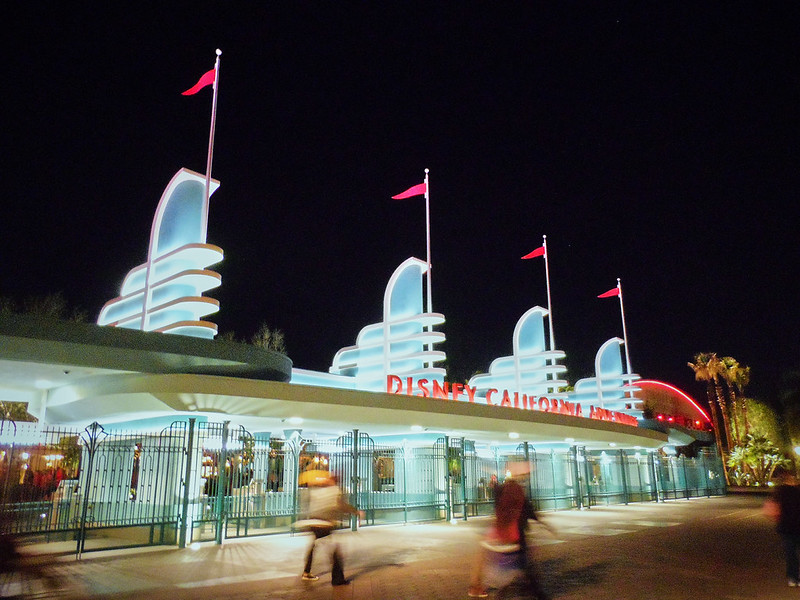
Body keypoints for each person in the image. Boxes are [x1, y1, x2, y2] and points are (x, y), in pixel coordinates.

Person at [469, 467, 551, 599]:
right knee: (520, 564)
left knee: (488, 558)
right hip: (514, 535)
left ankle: (478, 586)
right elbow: (528, 510)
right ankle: (533, 590)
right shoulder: (517, 493)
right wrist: (543, 524)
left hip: (500, 533)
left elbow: (499, 503)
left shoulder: (503, 492)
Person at [297, 473, 363, 586]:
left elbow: (308, 503)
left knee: (314, 546)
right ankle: (337, 579)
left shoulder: (317, 490)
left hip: (314, 522)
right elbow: (341, 505)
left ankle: (306, 571)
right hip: (324, 524)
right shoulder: (334, 491)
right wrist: (356, 512)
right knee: (334, 551)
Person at [764, 471, 800, 586]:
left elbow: (771, 509)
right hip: (798, 526)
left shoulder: (779, 493)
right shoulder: (798, 491)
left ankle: (793, 578)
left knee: (790, 554)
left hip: (786, 527)